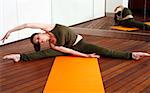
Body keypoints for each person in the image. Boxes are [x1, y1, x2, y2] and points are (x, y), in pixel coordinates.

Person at [1, 23, 150, 62]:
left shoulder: (50, 27)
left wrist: (10, 31)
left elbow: (27, 24)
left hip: (81, 43)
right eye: (38, 41)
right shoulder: (53, 45)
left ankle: (132, 55)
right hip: (70, 48)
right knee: (46, 53)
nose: (40, 40)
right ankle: (19, 57)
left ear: (41, 33)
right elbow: (70, 51)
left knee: (105, 51)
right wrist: (86, 57)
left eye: (38, 37)